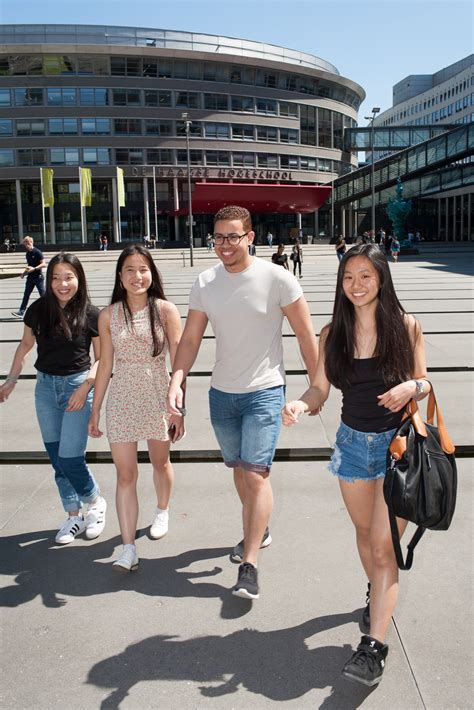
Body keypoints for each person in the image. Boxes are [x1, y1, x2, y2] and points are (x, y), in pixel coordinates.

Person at [282, 243, 430, 687]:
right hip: (351, 447)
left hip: (398, 449)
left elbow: (424, 382)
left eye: (366, 275)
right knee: (365, 536)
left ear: (382, 278)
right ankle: (377, 591)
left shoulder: (405, 327)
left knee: (385, 548)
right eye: (349, 277)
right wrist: (301, 406)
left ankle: (373, 648)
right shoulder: (333, 335)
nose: (357, 285)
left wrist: (410, 388)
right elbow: (320, 390)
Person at [167, 205, 318, 600]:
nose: (225, 245)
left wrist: (318, 385)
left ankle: (249, 563)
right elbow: (191, 339)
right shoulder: (205, 282)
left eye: (233, 236)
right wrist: (177, 380)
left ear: (250, 237)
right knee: (237, 469)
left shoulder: (277, 278)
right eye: (218, 237)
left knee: (256, 474)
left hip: (265, 391)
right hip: (222, 395)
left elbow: (306, 335)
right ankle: (259, 526)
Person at [88, 245, 185, 573]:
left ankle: (162, 510)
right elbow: (104, 365)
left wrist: (178, 407)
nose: (136, 276)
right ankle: (128, 547)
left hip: (158, 392)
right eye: (129, 269)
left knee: (160, 462)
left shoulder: (167, 311)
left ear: (152, 273)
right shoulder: (108, 315)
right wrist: (95, 409)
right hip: (122, 398)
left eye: (143, 269)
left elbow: (178, 361)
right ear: (120, 276)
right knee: (125, 473)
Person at [0, 252, 107, 544]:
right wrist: (10, 380)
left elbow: (102, 359)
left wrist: (85, 387)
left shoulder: (91, 313)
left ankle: (95, 503)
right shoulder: (38, 309)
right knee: (57, 460)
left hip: (77, 385)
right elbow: (24, 346)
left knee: (71, 458)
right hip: (46, 389)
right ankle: (73, 516)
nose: (62, 284)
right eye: (57, 277)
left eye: (69, 277)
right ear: (50, 279)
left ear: (79, 278)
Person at [11, 236, 46, 319]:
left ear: (30, 243)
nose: (25, 246)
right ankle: (21, 312)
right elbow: (29, 266)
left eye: (26, 244)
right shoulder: (27, 254)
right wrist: (24, 273)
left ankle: (50, 311)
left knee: (43, 295)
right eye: (24, 244)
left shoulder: (37, 252)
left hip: (38, 278)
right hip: (30, 278)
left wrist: (34, 268)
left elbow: (44, 264)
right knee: (26, 295)